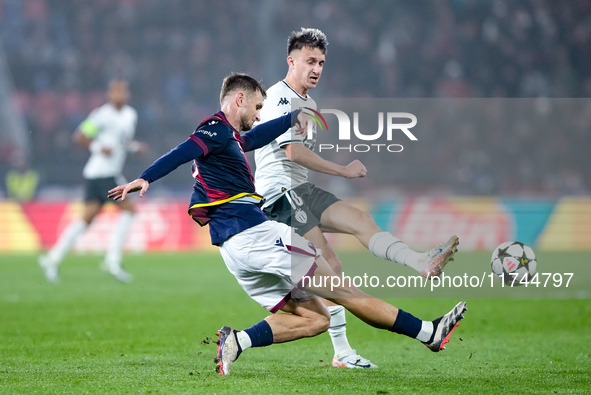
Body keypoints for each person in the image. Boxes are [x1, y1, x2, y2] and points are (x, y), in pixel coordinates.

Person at [107, 72, 467, 376]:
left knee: (315, 319)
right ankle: (427, 333)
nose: (260, 114)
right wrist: (146, 178)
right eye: (258, 107)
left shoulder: (229, 139)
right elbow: (183, 150)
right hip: (259, 235)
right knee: (344, 292)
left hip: (235, 252)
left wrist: (291, 119)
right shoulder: (214, 130)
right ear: (239, 99)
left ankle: (237, 341)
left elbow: (252, 138)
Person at [254, 28, 460, 369]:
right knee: (331, 270)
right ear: (291, 61)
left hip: (302, 190)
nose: (316, 68)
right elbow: (292, 153)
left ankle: (420, 262)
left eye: (321, 62)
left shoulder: (309, 101)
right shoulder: (279, 97)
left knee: (361, 222)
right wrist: (343, 170)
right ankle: (344, 352)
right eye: (309, 61)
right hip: (280, 195)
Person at [38, 79, 147, 283]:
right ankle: (112, 260)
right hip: (102, 173)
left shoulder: (130, 115)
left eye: (122, 91)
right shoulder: (101, 115)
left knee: (86, 218)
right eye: (115, 91)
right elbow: (79, 136)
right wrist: (98, 148)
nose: (119, 94)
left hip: (103, 173)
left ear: (127, 94)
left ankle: (52, 258)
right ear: (109, 94)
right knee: (129, 212)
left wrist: (136, 147)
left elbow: (123, 142)